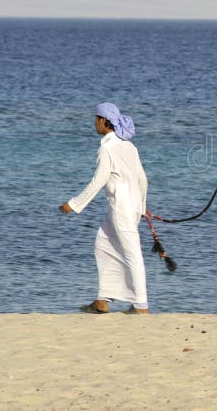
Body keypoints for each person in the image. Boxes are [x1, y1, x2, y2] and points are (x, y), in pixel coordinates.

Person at [59, 102, 150, 314]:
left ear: (103, 121)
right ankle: (103, 299)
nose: (94, 124)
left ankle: (141, 306)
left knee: (132, 254)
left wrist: (73, 204)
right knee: (103, 243)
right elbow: (143, 180)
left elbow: (97, 181)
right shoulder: (129, 146)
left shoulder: (107, 148)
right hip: (131, 207)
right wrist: (142, 206)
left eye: (95, 119)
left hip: (121, 208)